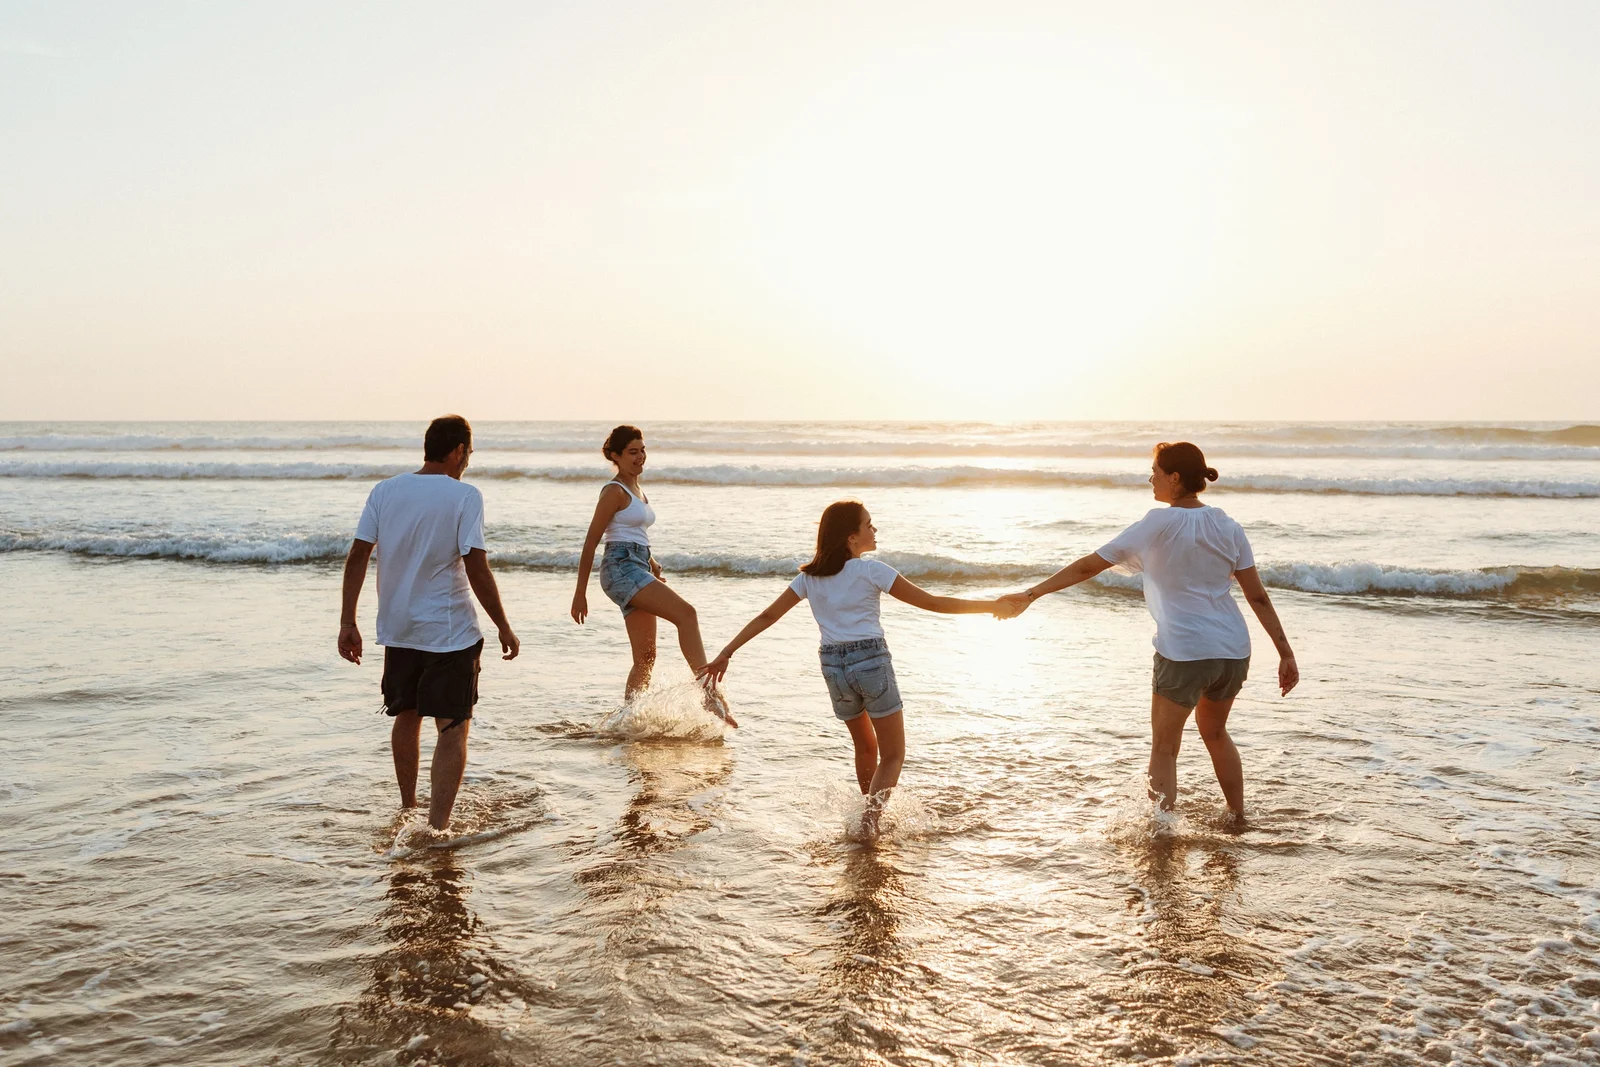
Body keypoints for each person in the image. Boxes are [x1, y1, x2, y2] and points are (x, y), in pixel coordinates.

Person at [1000, 442, 1297, 820]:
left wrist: (1031, 593)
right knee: (1216, 733)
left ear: (1175, 478)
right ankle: (1237, 816)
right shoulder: (1228, 525)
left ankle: (1162, 832)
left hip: (1184, 651)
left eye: (1155, 472)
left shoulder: (1157, 522)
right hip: (1232, 651)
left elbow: (1089, 566)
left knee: (1165, 748)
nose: (1150, 478)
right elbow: (1257, 597)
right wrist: (1286, 652)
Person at [699, 500, 1009, 836]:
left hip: (832, 666)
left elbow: (767, 616)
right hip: (870, 662)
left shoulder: (808, 579)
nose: (874, 530)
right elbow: (932, 602)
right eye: (869, 525)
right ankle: (869, 823)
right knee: (893, 754)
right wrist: (991, 605)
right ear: (851, 537)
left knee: (865, 746)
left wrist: (727, 652)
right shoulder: (872, 570)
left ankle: (868, 814)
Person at [337, 415, 520, 831]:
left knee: (407, 714)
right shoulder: (464, 496)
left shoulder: (386, 490)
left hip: (398, 627)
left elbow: (358, 556)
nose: (467, 462)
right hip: (448, 630)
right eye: (468, 454)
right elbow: (476, 565)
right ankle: (437, 827)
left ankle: (408, 809)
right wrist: (503, 626)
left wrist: (348, 621)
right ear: (458, 451)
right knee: (452, 727)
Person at [571, 425, 735, 725]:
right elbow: (593, 541)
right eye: (632, 452)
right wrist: (579, 592)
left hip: (637, 565)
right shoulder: (613, 491)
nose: (640, 457)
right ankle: (709, 692)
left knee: (645, 659)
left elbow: (634, 536)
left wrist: (653, 563)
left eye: (642, 450)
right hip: (620, 569)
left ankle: (628, 721)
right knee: (687, 614)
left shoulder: (637, 490)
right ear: (616, 456)